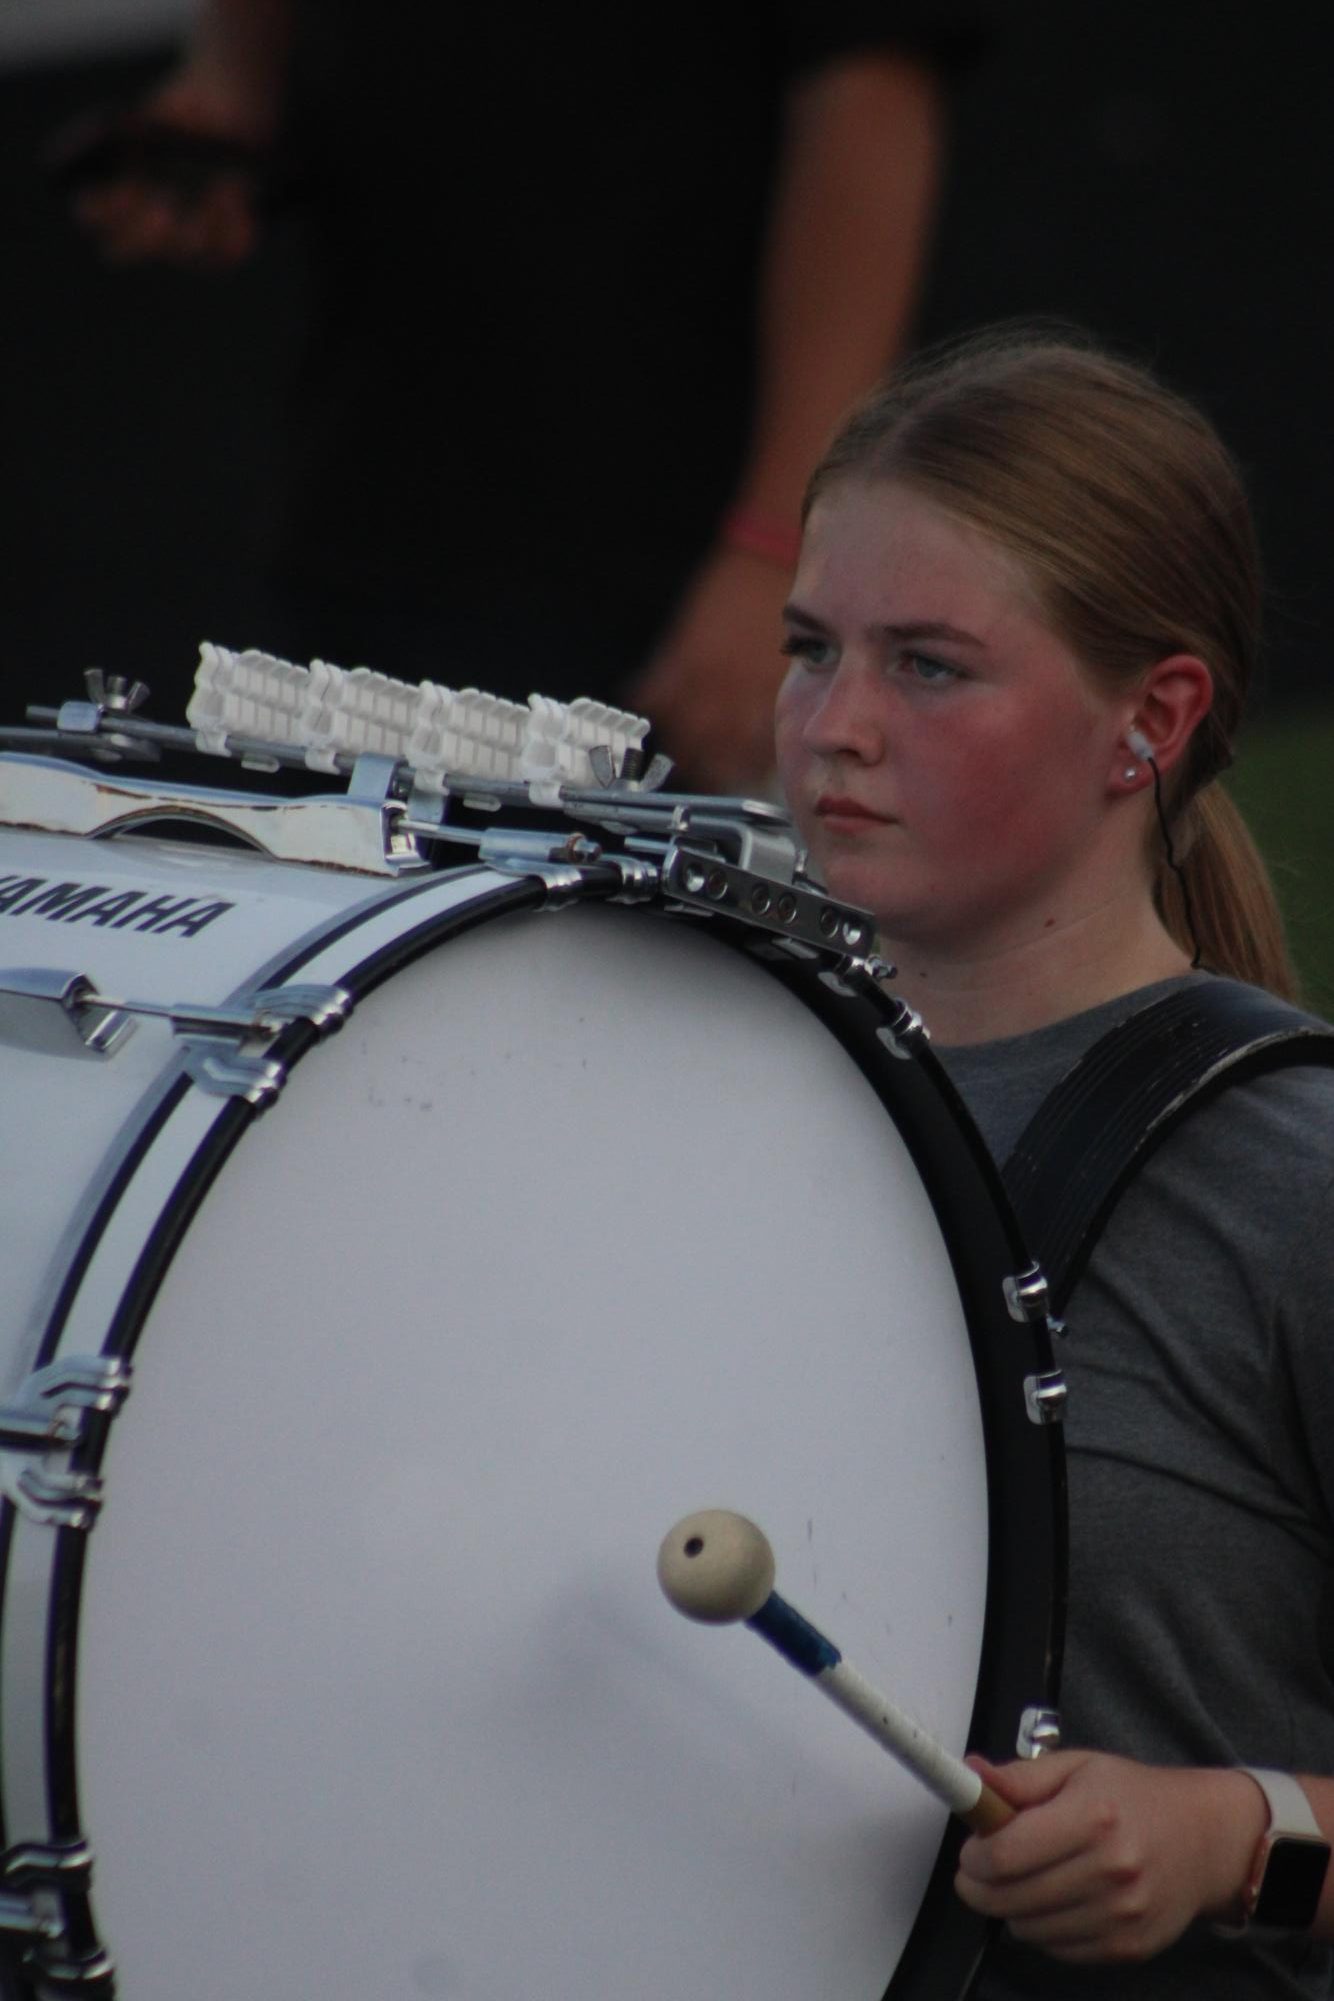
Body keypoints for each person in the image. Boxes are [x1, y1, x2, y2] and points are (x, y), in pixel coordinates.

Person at [773, 324, 1334, 1997]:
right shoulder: (691, 1104)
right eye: (809, 648)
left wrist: (1237, 1835)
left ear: (1145, 720)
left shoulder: (1291, 1186)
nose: (831, 726)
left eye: (927, 666)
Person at [61, 0, 980, 791]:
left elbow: (867, 92)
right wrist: (229, 88)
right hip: (369, 506)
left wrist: (786, 553)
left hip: (650, 556)